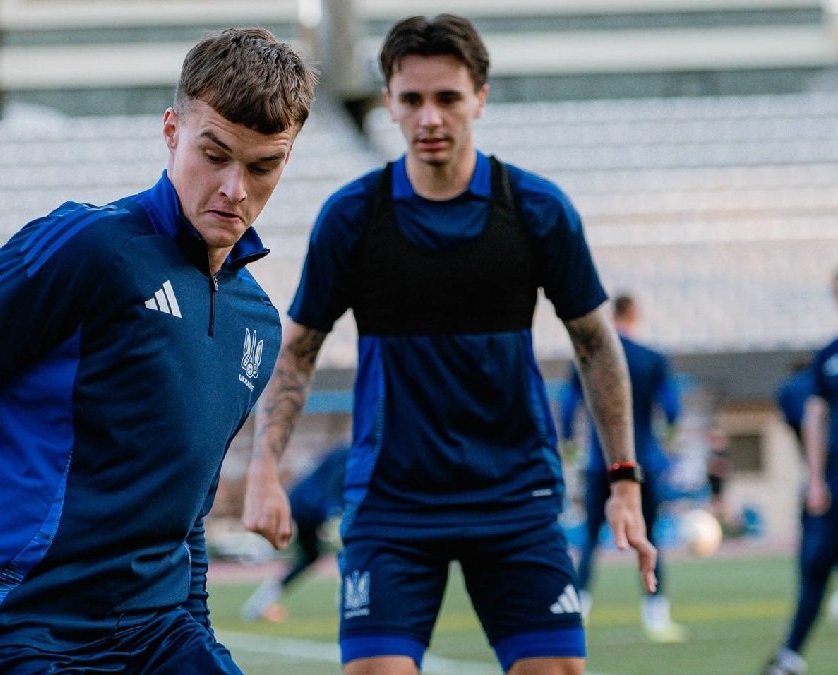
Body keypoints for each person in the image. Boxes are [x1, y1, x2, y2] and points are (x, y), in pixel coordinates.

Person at [0, 28, 317, 675]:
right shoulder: (88, 248)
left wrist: (197, 634)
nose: (234, 188)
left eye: (262, 167)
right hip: (14, 625)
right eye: (214, 154)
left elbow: (187, 508)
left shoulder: (255, 323)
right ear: (172, 131)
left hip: (154, 631)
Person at [242, 14, 655, 675]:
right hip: (392, 503)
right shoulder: (354, 216)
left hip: (515, 496)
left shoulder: (536, 209)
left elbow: (596, 346)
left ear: (480, 98)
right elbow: (299, 351)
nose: (429, 117)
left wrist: (624, 481)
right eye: (411, 99)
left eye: (448, 98)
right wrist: (265, 471)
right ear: (389, 102)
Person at [558, 294, 687, 642]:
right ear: (635, 315)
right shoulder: (652, 358)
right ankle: (656, 615)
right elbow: (673, 410)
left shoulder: (587, 356)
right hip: (642, 462)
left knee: (589, 539)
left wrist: (570, 444)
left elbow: (568, 406)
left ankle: (579, 612)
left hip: (599, 461)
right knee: (650, 535)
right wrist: (667, 441)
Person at [765, 274, 838, 675]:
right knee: (815, 564)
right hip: (834, 477)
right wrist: (815, 479)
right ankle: (791, 656)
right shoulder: (828, 356)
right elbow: (815, 415)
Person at [241, 444, 348, 622]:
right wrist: (334, 512)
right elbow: (334, 484)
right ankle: (348, 602)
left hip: (304, 503)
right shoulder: (350, 454)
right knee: (349, 551)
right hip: (310, 506)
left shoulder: (346, 451)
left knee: (311, 557)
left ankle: (260, 602)